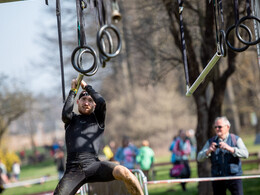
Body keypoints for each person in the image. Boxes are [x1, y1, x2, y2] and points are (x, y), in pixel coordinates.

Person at [53, 79, 143, 195]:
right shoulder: (71, 120)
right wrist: (73, 90)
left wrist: (86, 87)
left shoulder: (97, 119)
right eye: (83, 100)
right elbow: (65, 113)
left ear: (93, 104)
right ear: (77, 102)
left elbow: (102, 102)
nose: (86, 103)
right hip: (73, 171)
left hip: (93, 166)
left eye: (90, 100)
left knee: (124, 172)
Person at [197, 116, 249, 195]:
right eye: (215, 127)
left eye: (219, 127)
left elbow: (245, 154)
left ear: (227, 127)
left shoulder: (236, 139)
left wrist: (230, 149)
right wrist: (208, 151)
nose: (217, 129)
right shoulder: (211, 141)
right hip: (218, 178)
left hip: (234, 177)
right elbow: (199, 158)